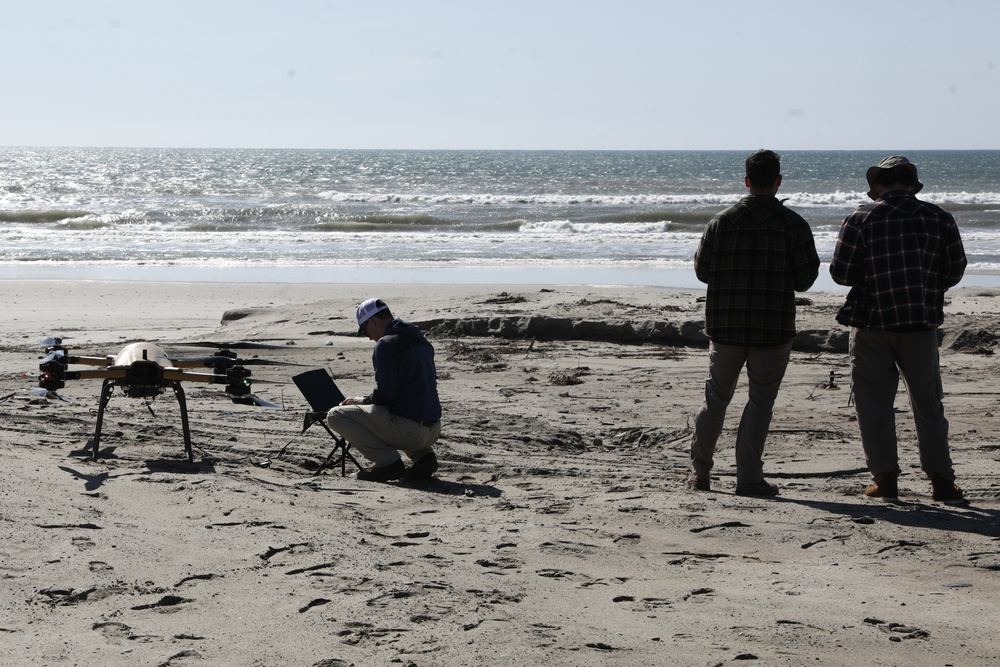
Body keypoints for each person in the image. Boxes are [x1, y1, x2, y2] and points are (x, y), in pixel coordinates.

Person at [830, 156, 967, 504]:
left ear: (878, 186)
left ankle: (886, 479)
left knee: (873, 405)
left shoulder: (861, 217)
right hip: (920, 322)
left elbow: (841, 273)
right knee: (928, 405)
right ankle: (941, 481)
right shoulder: (938, 217)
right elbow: (955, 270)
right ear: (911, 185)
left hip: (872, 323)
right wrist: (926, 286)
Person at [690, 149, 820, 496]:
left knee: (715, 398)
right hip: (772, 327)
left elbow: (702, 271)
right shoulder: (793, 224)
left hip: (726, 325)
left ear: (747, 182)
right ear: (777, 182)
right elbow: (806, 279)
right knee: (760, 402)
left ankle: (700, 472)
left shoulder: (722, 222)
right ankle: (748, 477)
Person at [326, 298, 442, 482]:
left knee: (335, 415)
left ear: (371, 321)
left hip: (411, 432)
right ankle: (424, 457)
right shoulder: (420, 339)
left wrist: (361, 401)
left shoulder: (386, 344)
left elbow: (386, 395)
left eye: (365, 330)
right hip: (433, 430)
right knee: (398, 408)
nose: (369, 337)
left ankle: (388, 464)